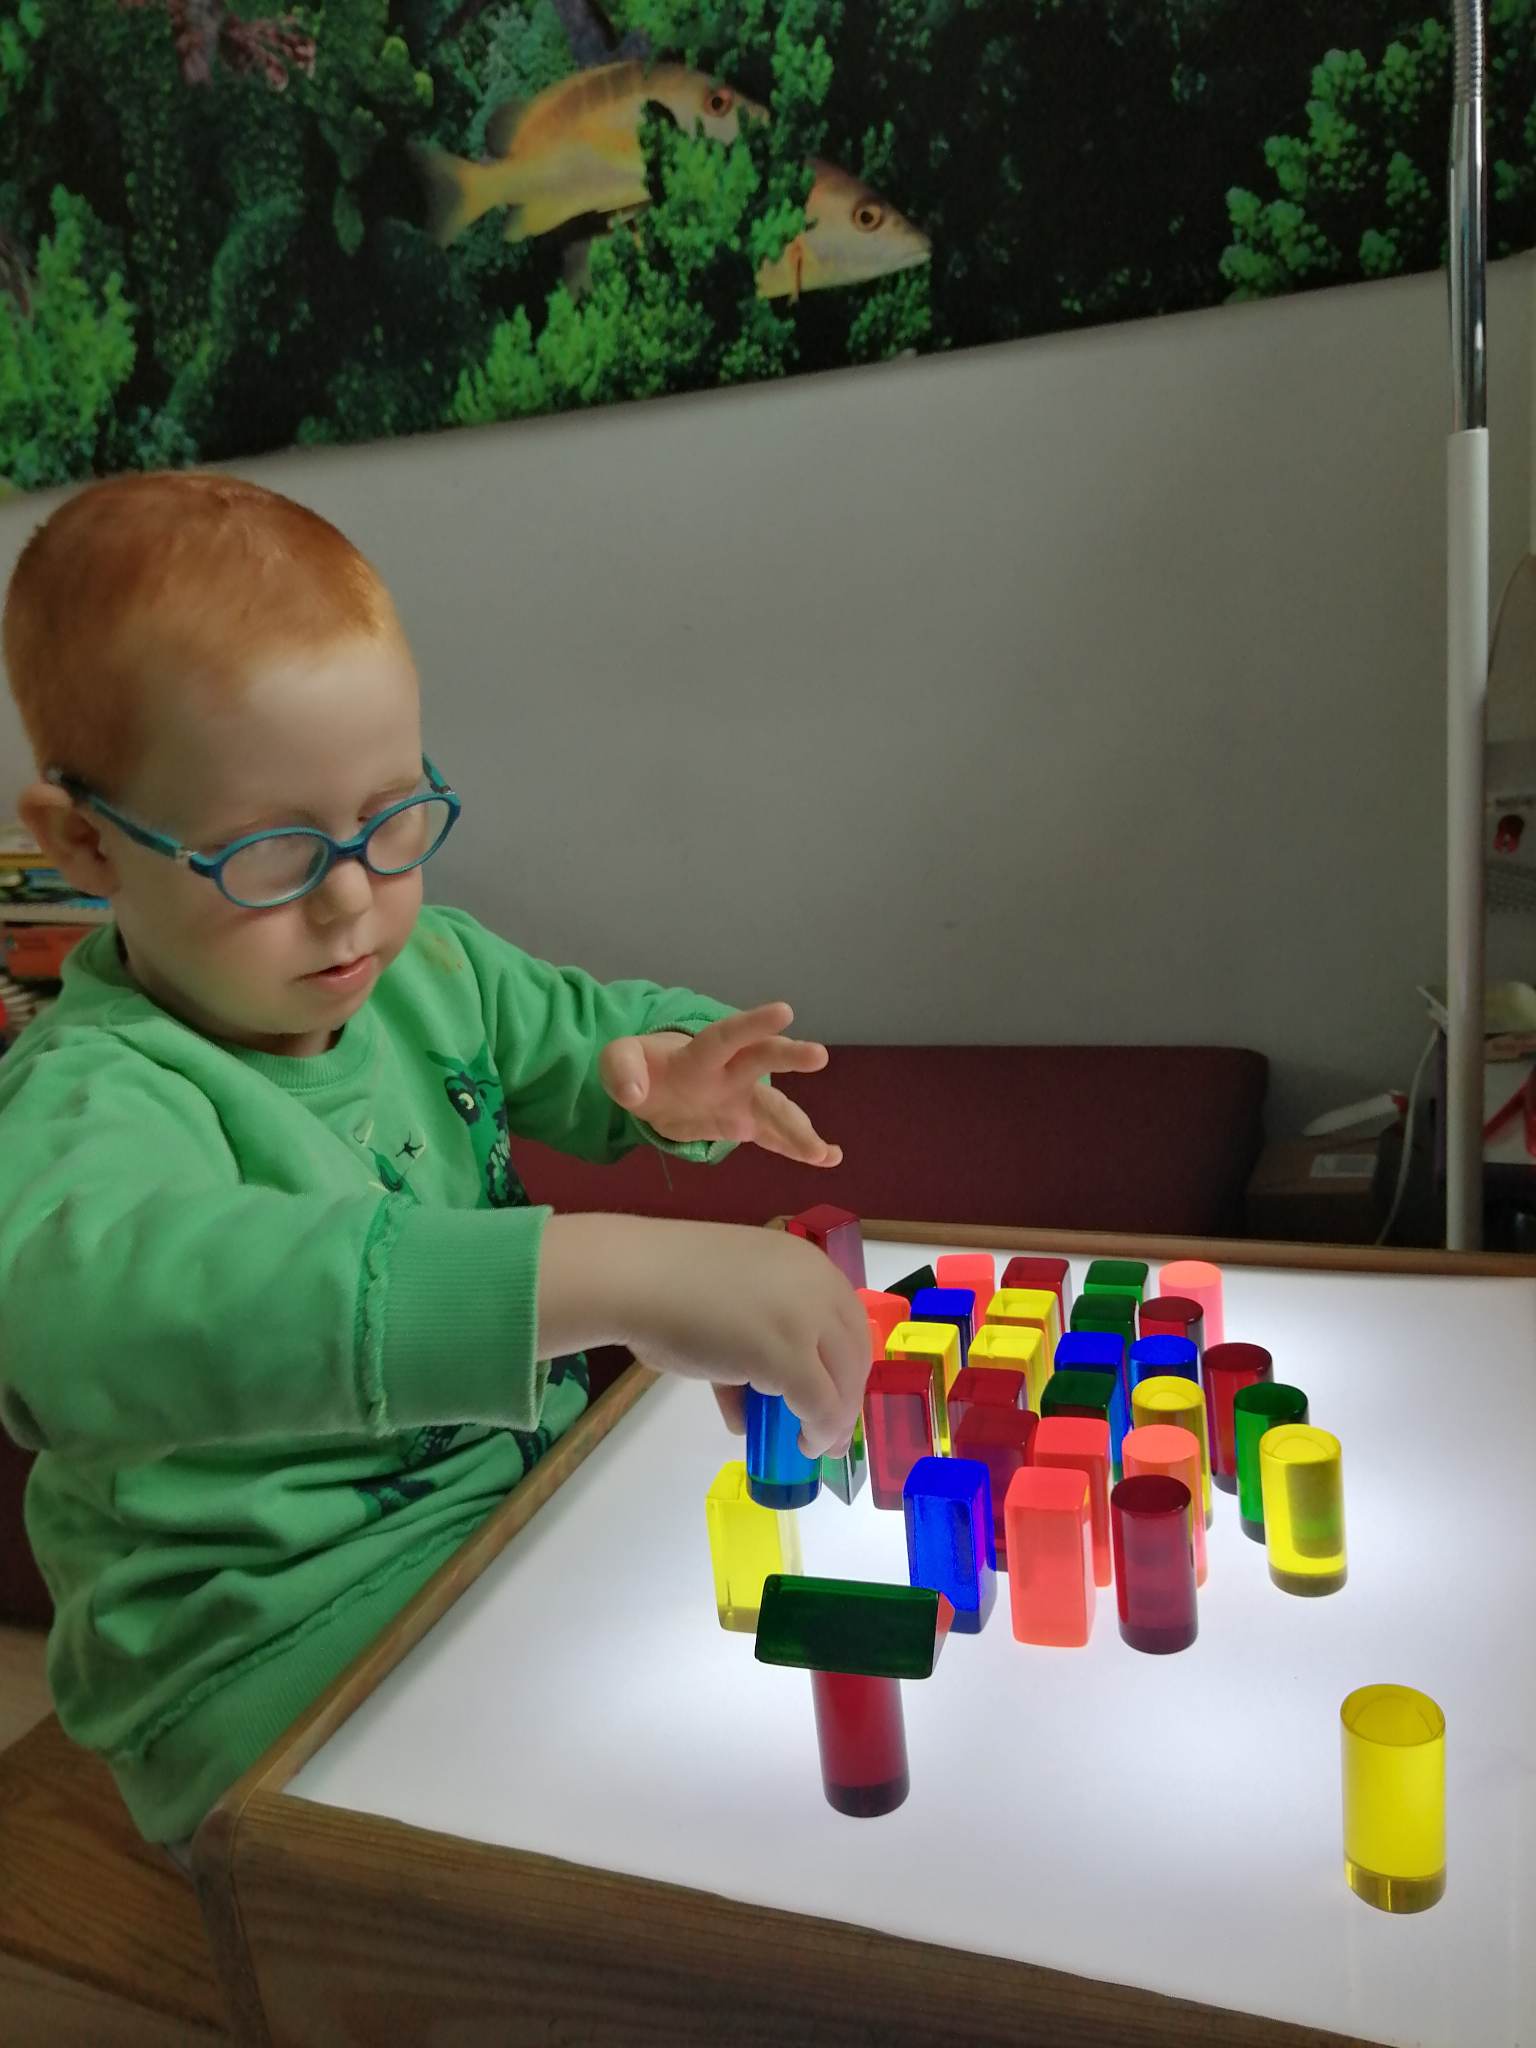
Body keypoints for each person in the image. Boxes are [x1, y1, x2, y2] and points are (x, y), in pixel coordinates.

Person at [0, 472, 868, 1853]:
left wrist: (669, 1072)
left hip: (517, 1512)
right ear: (86, 843)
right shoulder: (89, 1094)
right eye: (266, 855)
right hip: (265, 1648)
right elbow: (84, 1317)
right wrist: (606, 1272)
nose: (352, 898)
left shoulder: (429, 967)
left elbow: (583, 1035)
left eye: (391, 820)